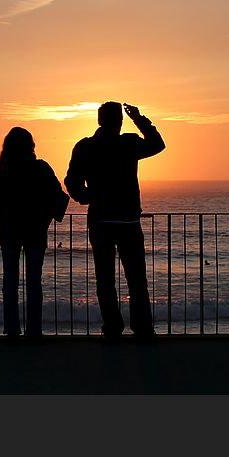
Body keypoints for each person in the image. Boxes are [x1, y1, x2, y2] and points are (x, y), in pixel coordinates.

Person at [64, 102, 165, 341]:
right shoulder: (128, 143)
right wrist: (139, 119)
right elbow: (158, 144)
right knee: (137, 279)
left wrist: (87, 197)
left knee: (105, 279)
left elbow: (71, 181)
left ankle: (112, 328)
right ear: (119, 121)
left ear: (99, 120)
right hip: (128, 221)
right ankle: (142, 329)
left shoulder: (86, 146)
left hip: (101, 220)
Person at [0, 127, 69, 339]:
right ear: (31, 145)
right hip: (35, 231)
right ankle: (34, 331)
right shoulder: (41, 168)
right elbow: (59, 197)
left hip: (10, 232)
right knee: (34, 283)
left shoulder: (0, 171)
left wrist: (5, 216)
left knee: (10, 283)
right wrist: (45, 217)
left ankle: (12, 330)